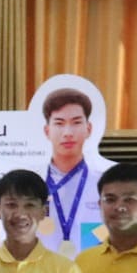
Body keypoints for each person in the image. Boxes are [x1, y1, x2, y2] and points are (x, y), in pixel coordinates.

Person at [40, 88, 104, 253]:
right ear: (47, 131)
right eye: (59, 123)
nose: (68, 133)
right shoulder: (34, 184)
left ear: (89, 129)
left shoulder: (104, 186)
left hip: (91, 266)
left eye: (76, 122)